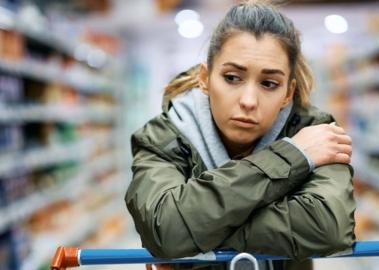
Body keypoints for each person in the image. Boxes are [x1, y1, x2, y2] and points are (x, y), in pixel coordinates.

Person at [125, 1, 356, 270]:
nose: (248, 100)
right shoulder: (162, 138)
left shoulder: (316, 133)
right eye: (232, 78)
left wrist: (198, 229)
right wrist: (292, 156)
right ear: (205, 78)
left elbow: (329, 227)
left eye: (269, 84)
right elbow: (164, 227)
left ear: (288, 93)